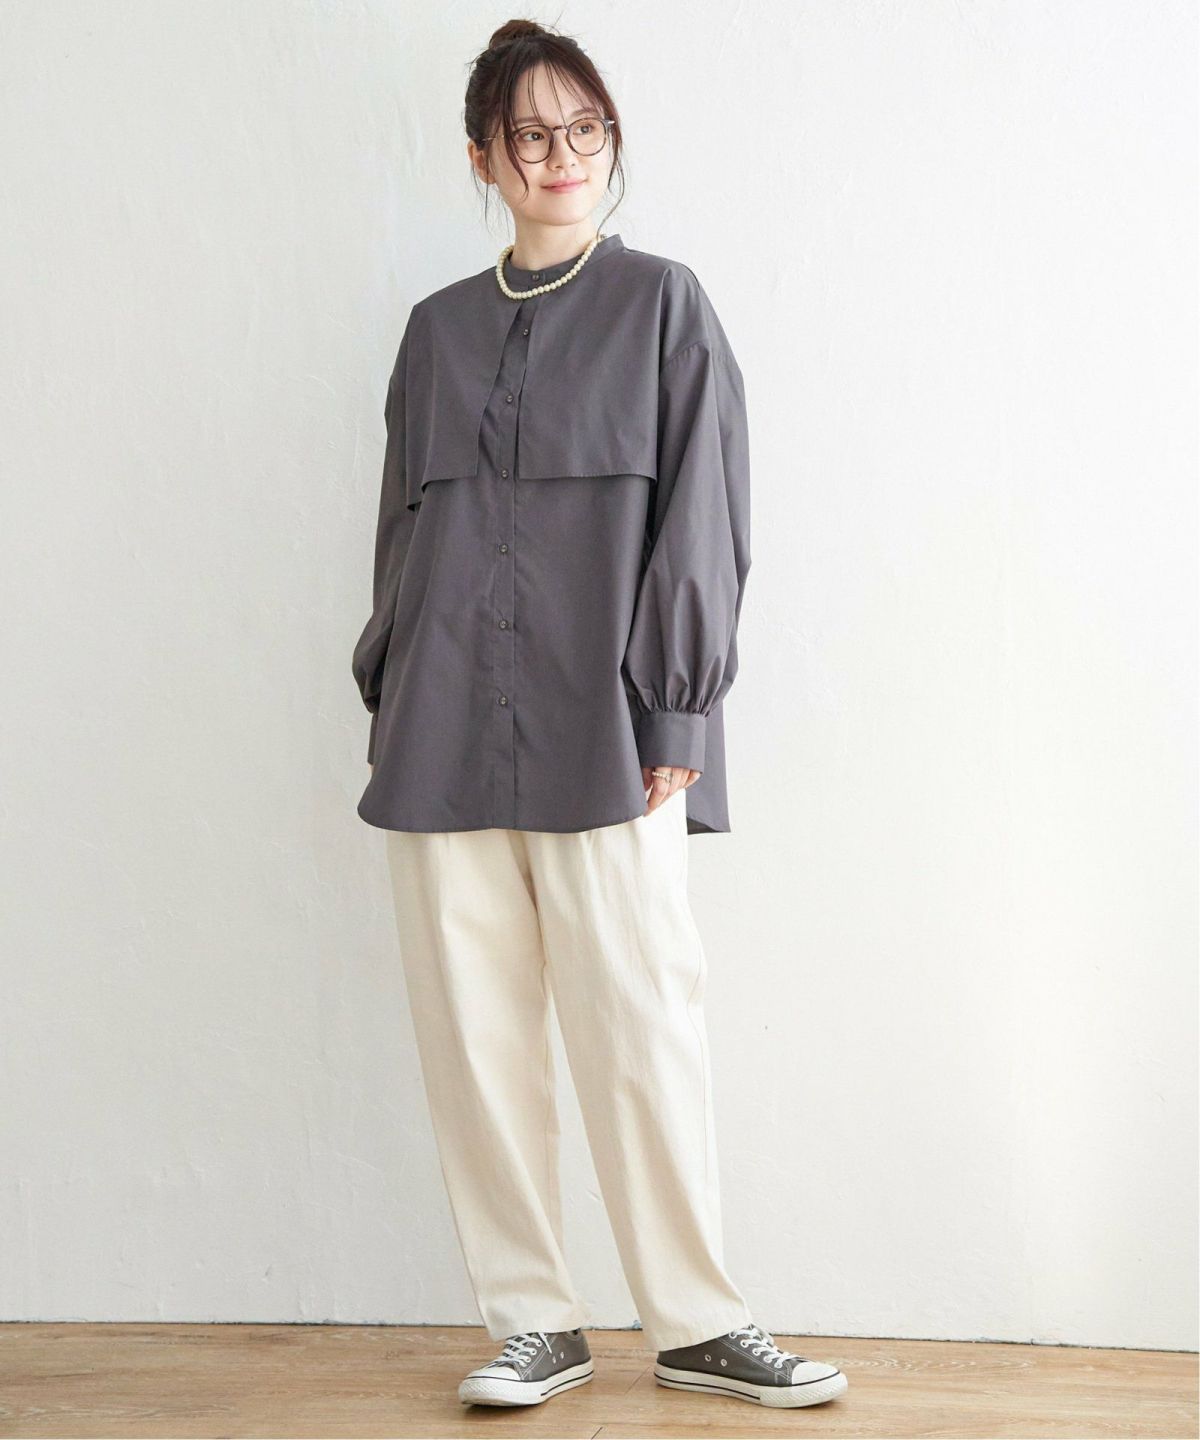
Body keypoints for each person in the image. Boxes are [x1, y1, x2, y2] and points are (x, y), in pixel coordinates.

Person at [350, 17, 848, 1412]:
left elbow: (706, 516)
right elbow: (399, 531)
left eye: (584, 129)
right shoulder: (436, 333)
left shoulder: (664, 307)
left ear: (609, 141)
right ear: (484, 159)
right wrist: (389, 685)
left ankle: (698, 1322)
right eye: (530, 134)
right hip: (443, 733)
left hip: (612, 733)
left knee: (641, 1020)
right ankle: (533, 1321)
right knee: (475, 1039)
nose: (561, 154)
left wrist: (678, 706)